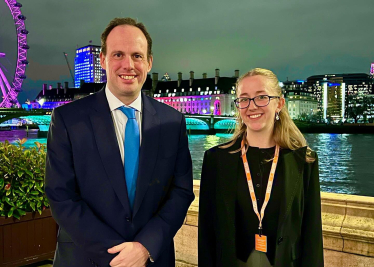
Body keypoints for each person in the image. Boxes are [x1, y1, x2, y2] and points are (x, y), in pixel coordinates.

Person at [45, 17, 194, 267]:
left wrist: (146, 247)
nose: (128, 65)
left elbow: (181, 192)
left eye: (137, 55)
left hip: (152, 259)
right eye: (118, 55)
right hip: (86, 259)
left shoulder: (173, 121)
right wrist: (118, 256)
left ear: (149, 62)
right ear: (103, 60)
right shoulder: (68, 119)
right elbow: (61, 196)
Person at [198, 68, 323, 267]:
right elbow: (206, 233)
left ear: (279, 104)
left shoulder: (304, 161)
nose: (252, 106)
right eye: (244, 99)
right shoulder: (216, 160)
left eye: (262, 97)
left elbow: (312, 235)